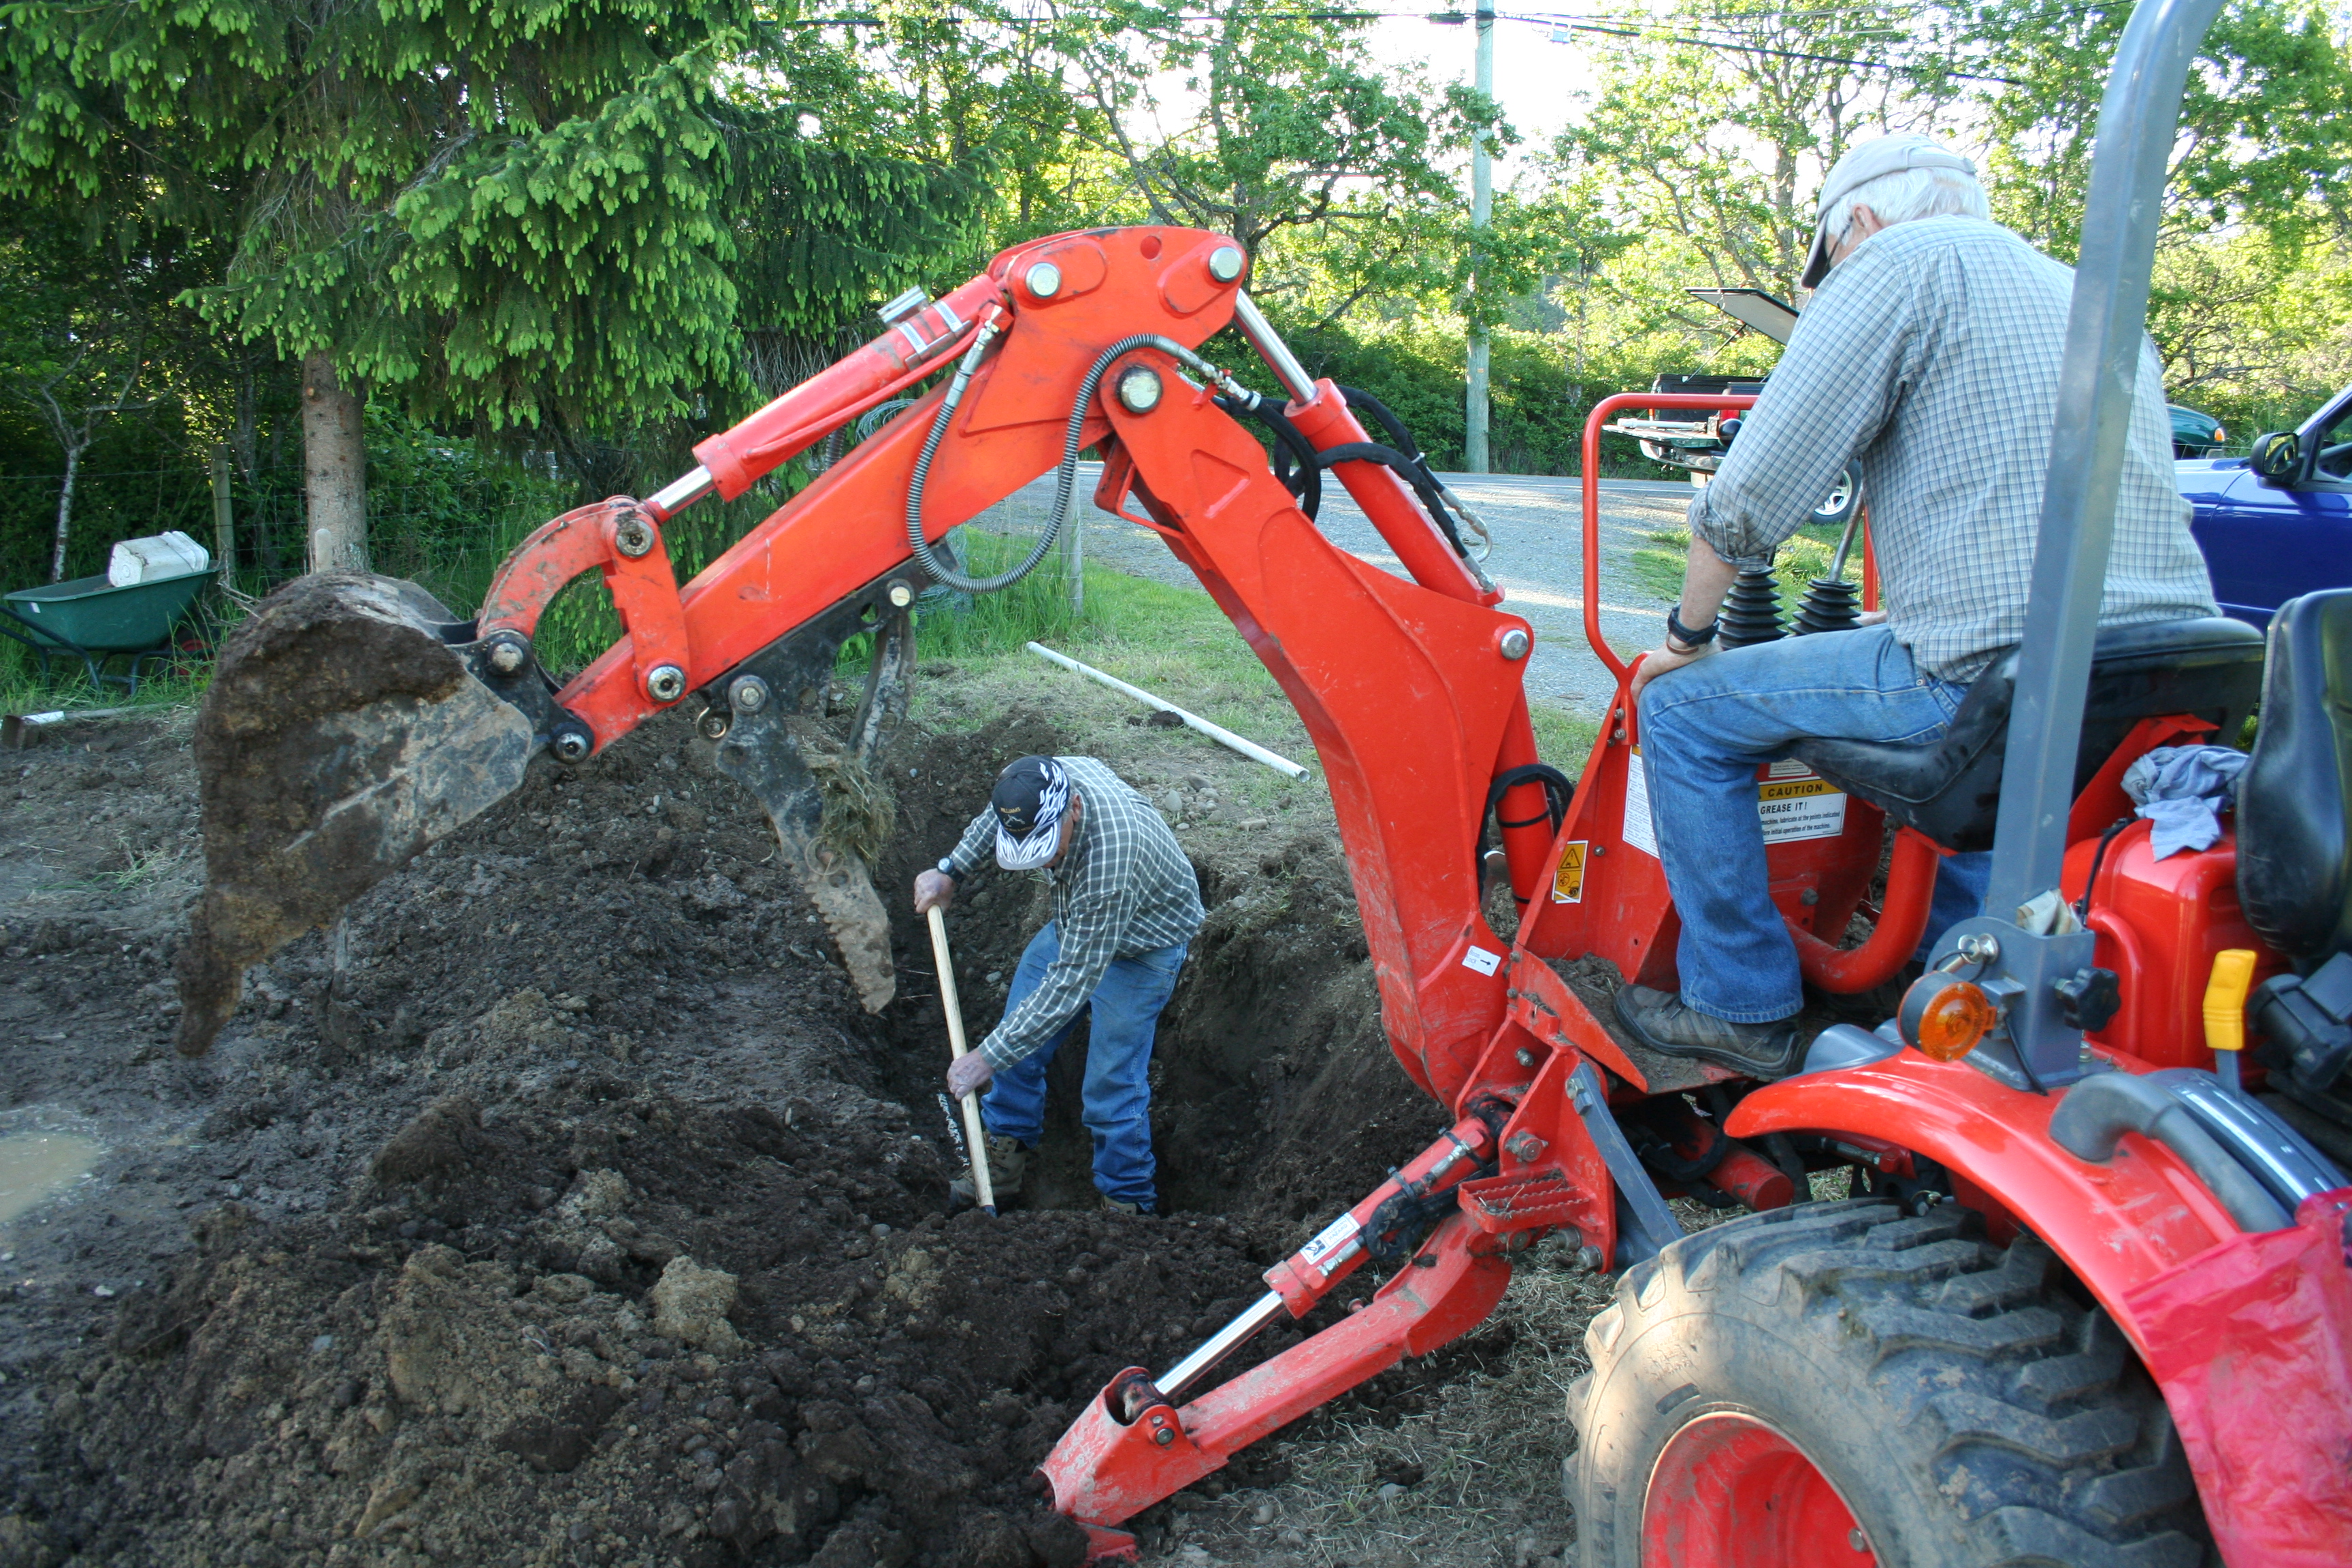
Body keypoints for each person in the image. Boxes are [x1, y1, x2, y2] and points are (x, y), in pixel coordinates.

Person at [1615, 133, 2219, 1079]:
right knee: (2006, 776)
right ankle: (1956, 1003)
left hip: (1993, 672)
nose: (1829, 282)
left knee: (1679, 710)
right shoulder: (2092, 292)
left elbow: (1744, 503)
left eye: (1827, 262)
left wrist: (1688, 639)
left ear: (1856, 221)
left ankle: (1739, 1003)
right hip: (2165, 669)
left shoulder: (1895, 262)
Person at [913, 755, 1203, 1213]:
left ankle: (1128, 1203)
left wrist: (986, 1056)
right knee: (1016, 1040)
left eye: (1049, 846)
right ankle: (1001, 1174)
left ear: (1075, 809)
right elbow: (999, 811)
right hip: (1078, 926)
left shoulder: (1110, 857)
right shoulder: (1034, 784)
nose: (1046, 860)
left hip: (1143, 946)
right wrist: (951, 869)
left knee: (1111, 1084)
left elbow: (1071, 982)